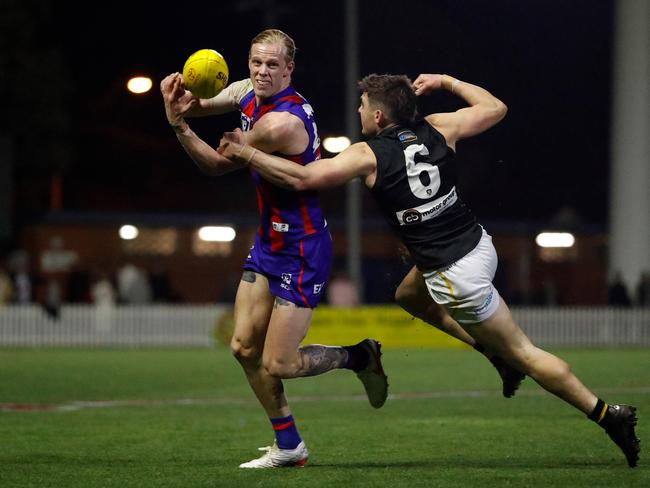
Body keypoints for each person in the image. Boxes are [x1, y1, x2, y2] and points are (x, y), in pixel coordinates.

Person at [219, 72, 640, 467]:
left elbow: (302, 180)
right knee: (407, 295)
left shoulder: (366, 154)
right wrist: (448, 81)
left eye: (363, 106)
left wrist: (248, 152)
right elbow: (496, 108)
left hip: (455, 273)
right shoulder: (439, 125)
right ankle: (495, 354)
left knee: (526, 353)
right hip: (478, 244)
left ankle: (606, 414)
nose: (359, 112)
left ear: (379, 115)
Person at [160, 29, 388, 469]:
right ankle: (289, 446)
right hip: (269, 240)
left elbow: (213, 164)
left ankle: (359, 355)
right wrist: (189, 100)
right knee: (244, 347)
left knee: (279, 362)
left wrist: (177, 123)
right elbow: (214, 101)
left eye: (272, 65)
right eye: (255, 63)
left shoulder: (280, 123)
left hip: (303, 248)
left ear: (289, 69)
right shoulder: (249, 91)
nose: (261, 73)